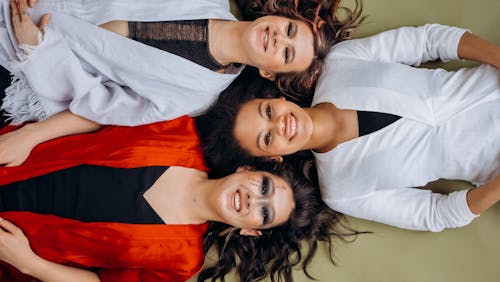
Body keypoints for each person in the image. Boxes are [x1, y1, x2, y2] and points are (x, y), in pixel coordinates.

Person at [196, 23, 500, 232]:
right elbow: (435, 214)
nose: (280, 124)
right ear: (271, 159)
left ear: (275, 98)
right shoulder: (342, 192)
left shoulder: (340, 61)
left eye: (268, 112)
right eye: (266, 138)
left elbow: (429, 40)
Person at [0, 0, 364, 166]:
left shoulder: (199, 93)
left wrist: (39, 51)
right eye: (288, 30)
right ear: (275, 13)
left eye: (286, 54)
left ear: (269, 73)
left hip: (30, 66)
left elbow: (104, 105)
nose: (278, 39)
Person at [0, 116, 356, 282]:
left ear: (251, 232)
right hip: (10, 154)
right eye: (263, 187)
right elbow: (99, 115)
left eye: (264, 214)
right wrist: (31, 135)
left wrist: (30, 264)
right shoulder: (181, 132)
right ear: (249, 168)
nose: (252, 201)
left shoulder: (183, 261)